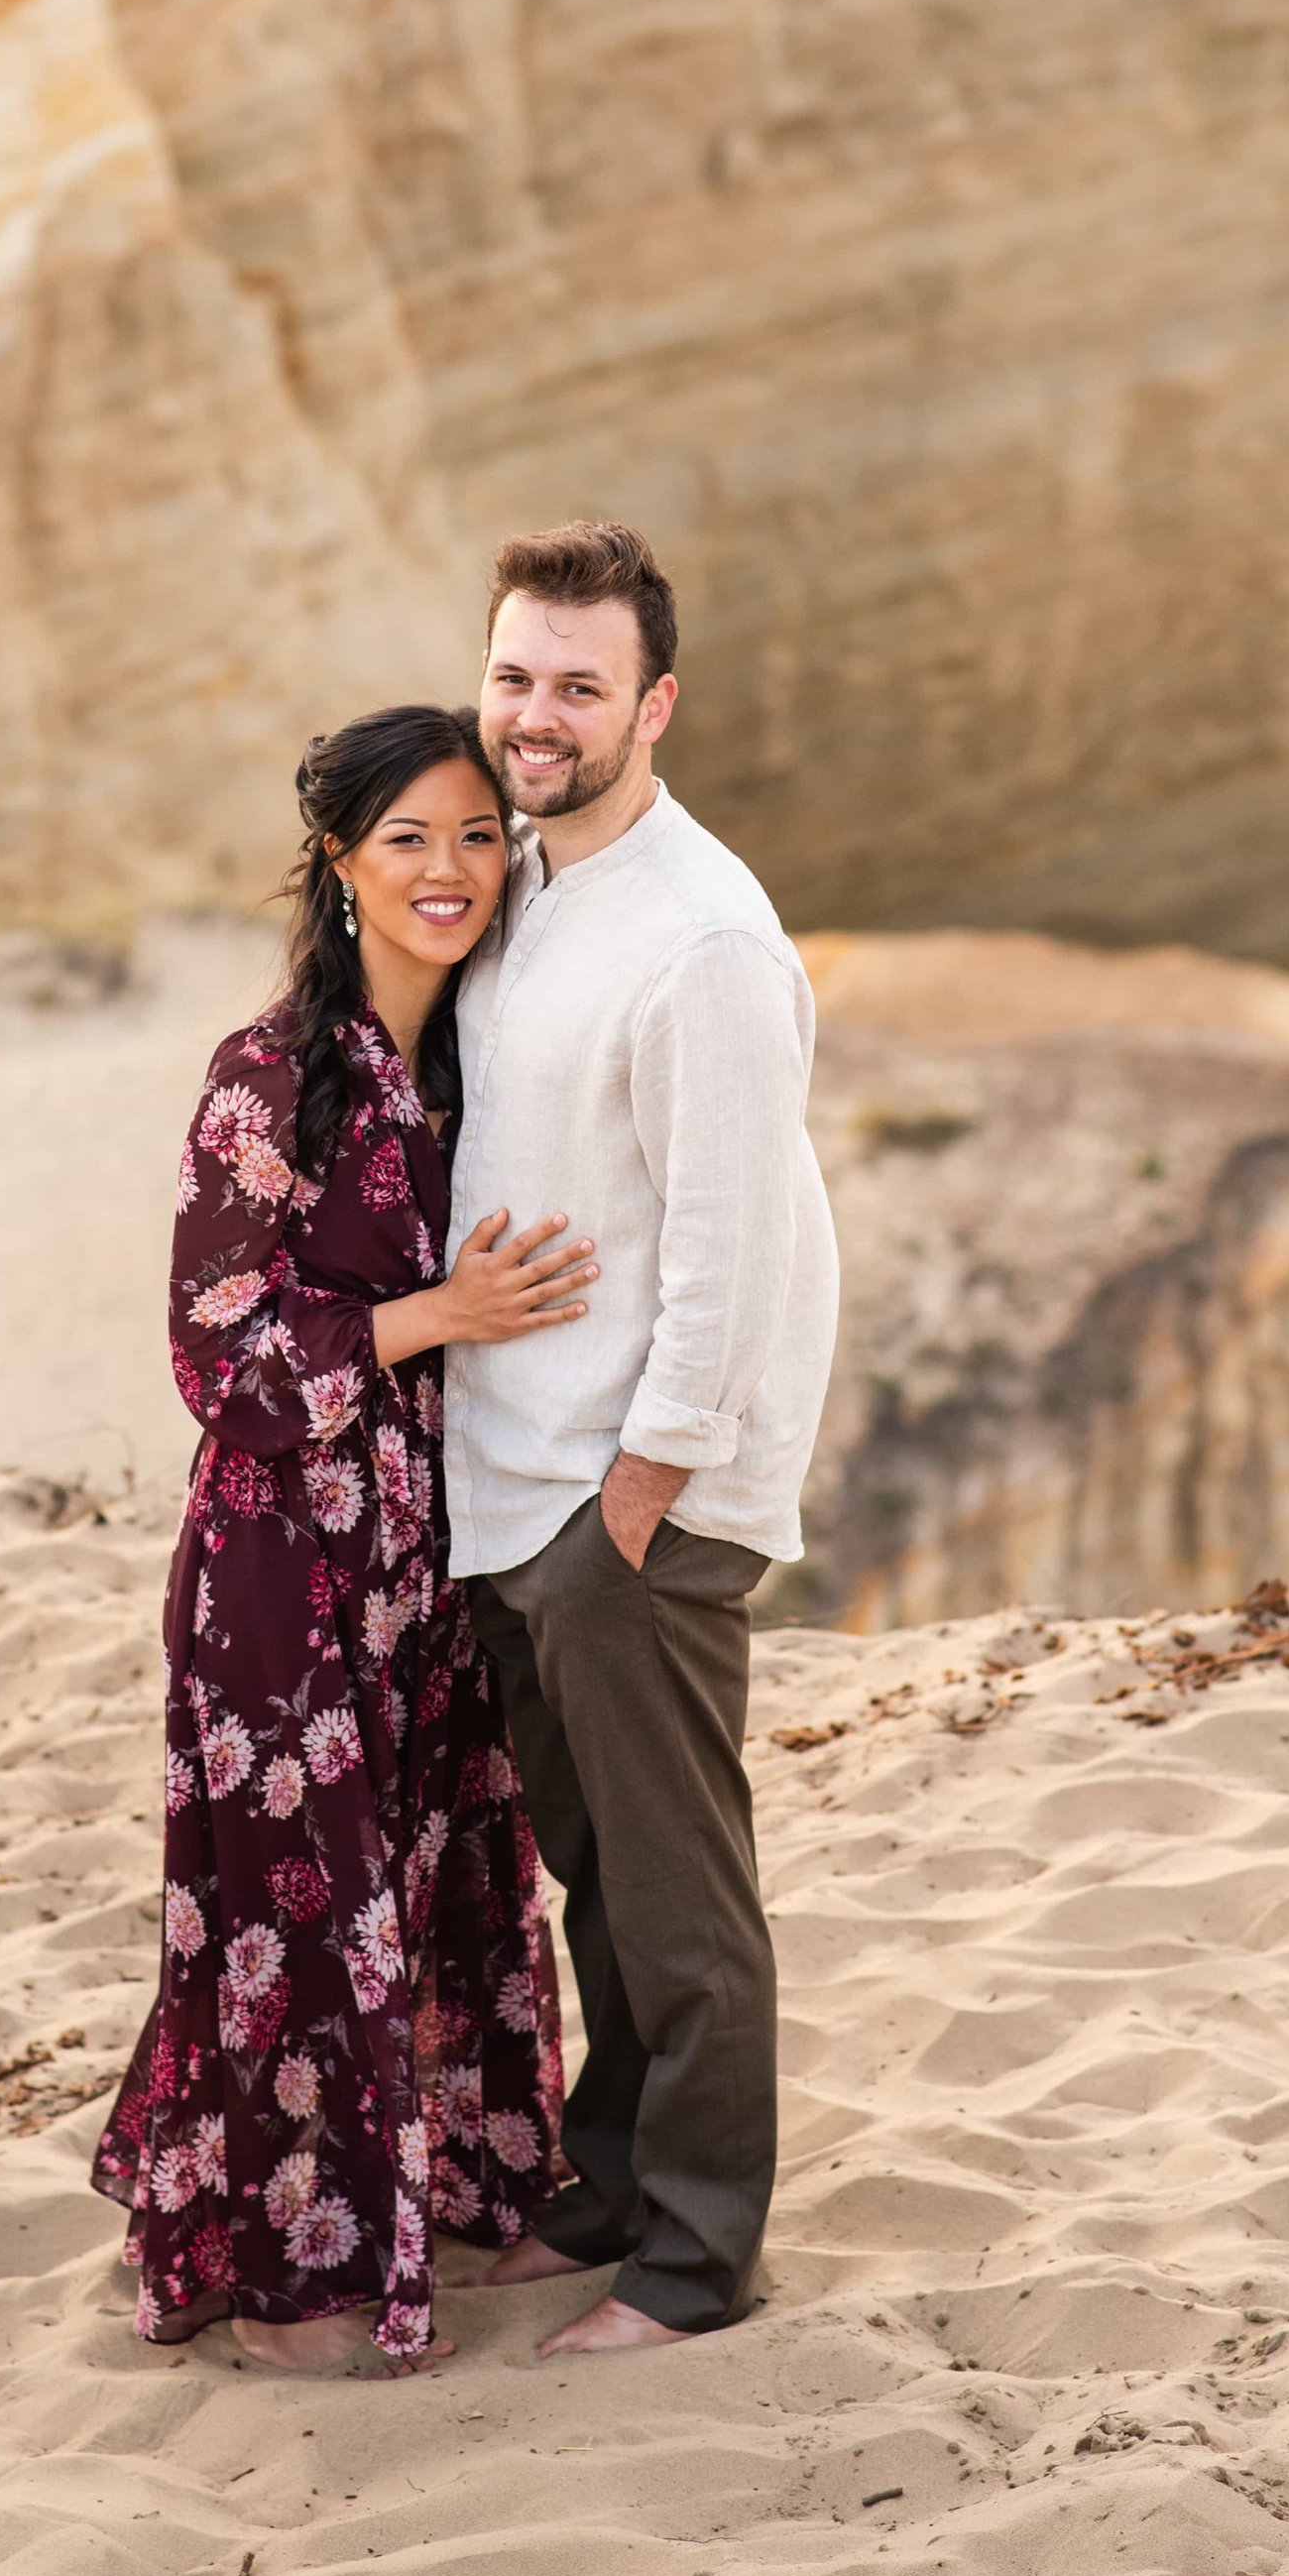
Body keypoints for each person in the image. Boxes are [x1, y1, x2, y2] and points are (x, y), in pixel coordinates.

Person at [93, 704, 590, 2376]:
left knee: (453, 1878)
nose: (448, 872)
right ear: (339, 861)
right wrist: (429, 1313)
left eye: (473, 838)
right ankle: (295, 2274)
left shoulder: (487, 1058)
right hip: (282, 1572)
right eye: (408, 841)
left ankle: (453, 2199)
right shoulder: (268, 1070)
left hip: (439, 1558)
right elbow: (212, 1348)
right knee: (303, 1915)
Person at [448, 522, 841, 2359]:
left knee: (683, 1897)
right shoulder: (520, 880)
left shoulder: (705, 942)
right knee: (598, 1873)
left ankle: (695, 2265)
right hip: (520, 1480)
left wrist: (643, 1493)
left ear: (654, 704)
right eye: (517, 674)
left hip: (637, 1496)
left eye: (579, 685)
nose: (539, 713)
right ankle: (607, 2186)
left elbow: (734, 1245)